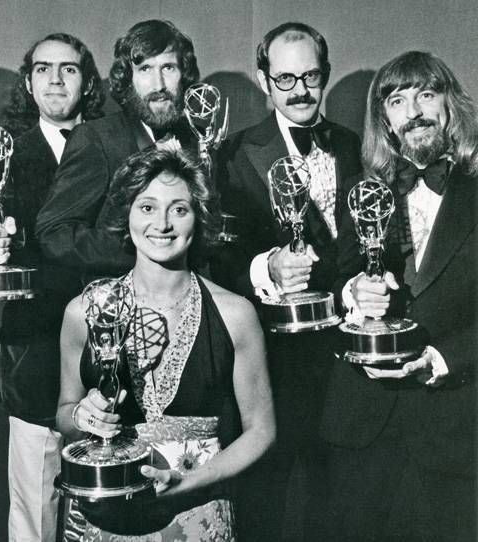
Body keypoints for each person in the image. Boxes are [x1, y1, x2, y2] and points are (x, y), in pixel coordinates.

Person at [56, 147, 275, 541]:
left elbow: (261, 431)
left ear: (199, 217)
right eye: (147, 207)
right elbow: (64, 413)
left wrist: (187, 484)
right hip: (102, 515)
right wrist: (81, 418)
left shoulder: (235, 313)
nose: (162, 224)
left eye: (179, 209)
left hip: (196, 511)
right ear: (127, 214)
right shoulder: (83, 311)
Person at [319, 51, 478, 541]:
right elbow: (334, 281)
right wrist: (353, 293)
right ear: (383, 118)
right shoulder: (361, 190)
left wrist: (443, 359)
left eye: (427, 95)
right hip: (361, 427)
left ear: (449, 105)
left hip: (456, 427)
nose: (414, 112)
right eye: (398, 100)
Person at [213, 22, 362, 539]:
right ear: (263, 79)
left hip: (346, 358)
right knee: (267, 505)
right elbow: (212, 262)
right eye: (285, 79)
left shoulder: (355, 146)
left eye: (311, 76)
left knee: (335, 501)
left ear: (326, 74)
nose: (300, 90)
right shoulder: (231, 155)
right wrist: (266, 268)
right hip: (271, 362)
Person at [0, 33, 105, 542]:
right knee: (35, 500)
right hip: (33, 347)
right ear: (28, 82)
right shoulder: (0, 156)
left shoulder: (113, 146)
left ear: (87, 81)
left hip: (109, 342)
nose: (55, 79)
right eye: (43, 69)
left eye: (68, 69)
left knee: (109, 486)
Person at [35, 19, 199, 291]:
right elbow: (54, 235)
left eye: (168, 67)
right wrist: (145, 252)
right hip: (122, 310)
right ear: (128, 78)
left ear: (184, 73)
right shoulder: (97, 138)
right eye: (145, 68)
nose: (158, 84)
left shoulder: (200, 140)